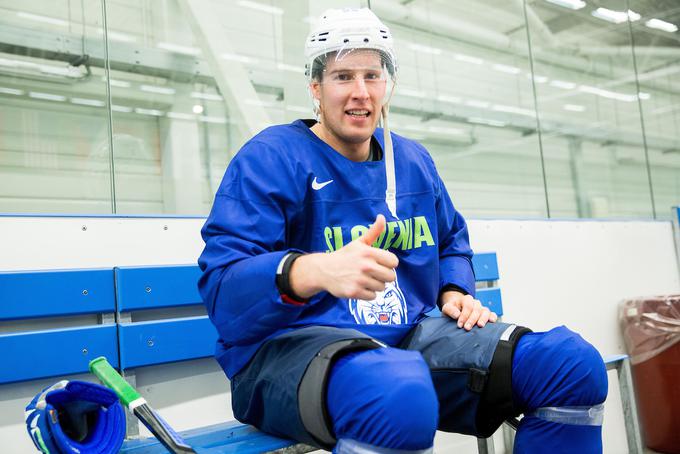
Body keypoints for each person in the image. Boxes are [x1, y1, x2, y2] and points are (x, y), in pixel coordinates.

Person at [198, 8, 608, 454]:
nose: (360, 93)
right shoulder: (271, 157)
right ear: (315, 88)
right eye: (342, 76)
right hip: (287, 353)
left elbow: (451, 242)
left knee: (570, 365)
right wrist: (313, 271)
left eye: (372, 76)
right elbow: (223, 289)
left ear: (387, 84)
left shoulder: (413, 161)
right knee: (395, 392)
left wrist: (453, 291)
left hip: (406, 341)